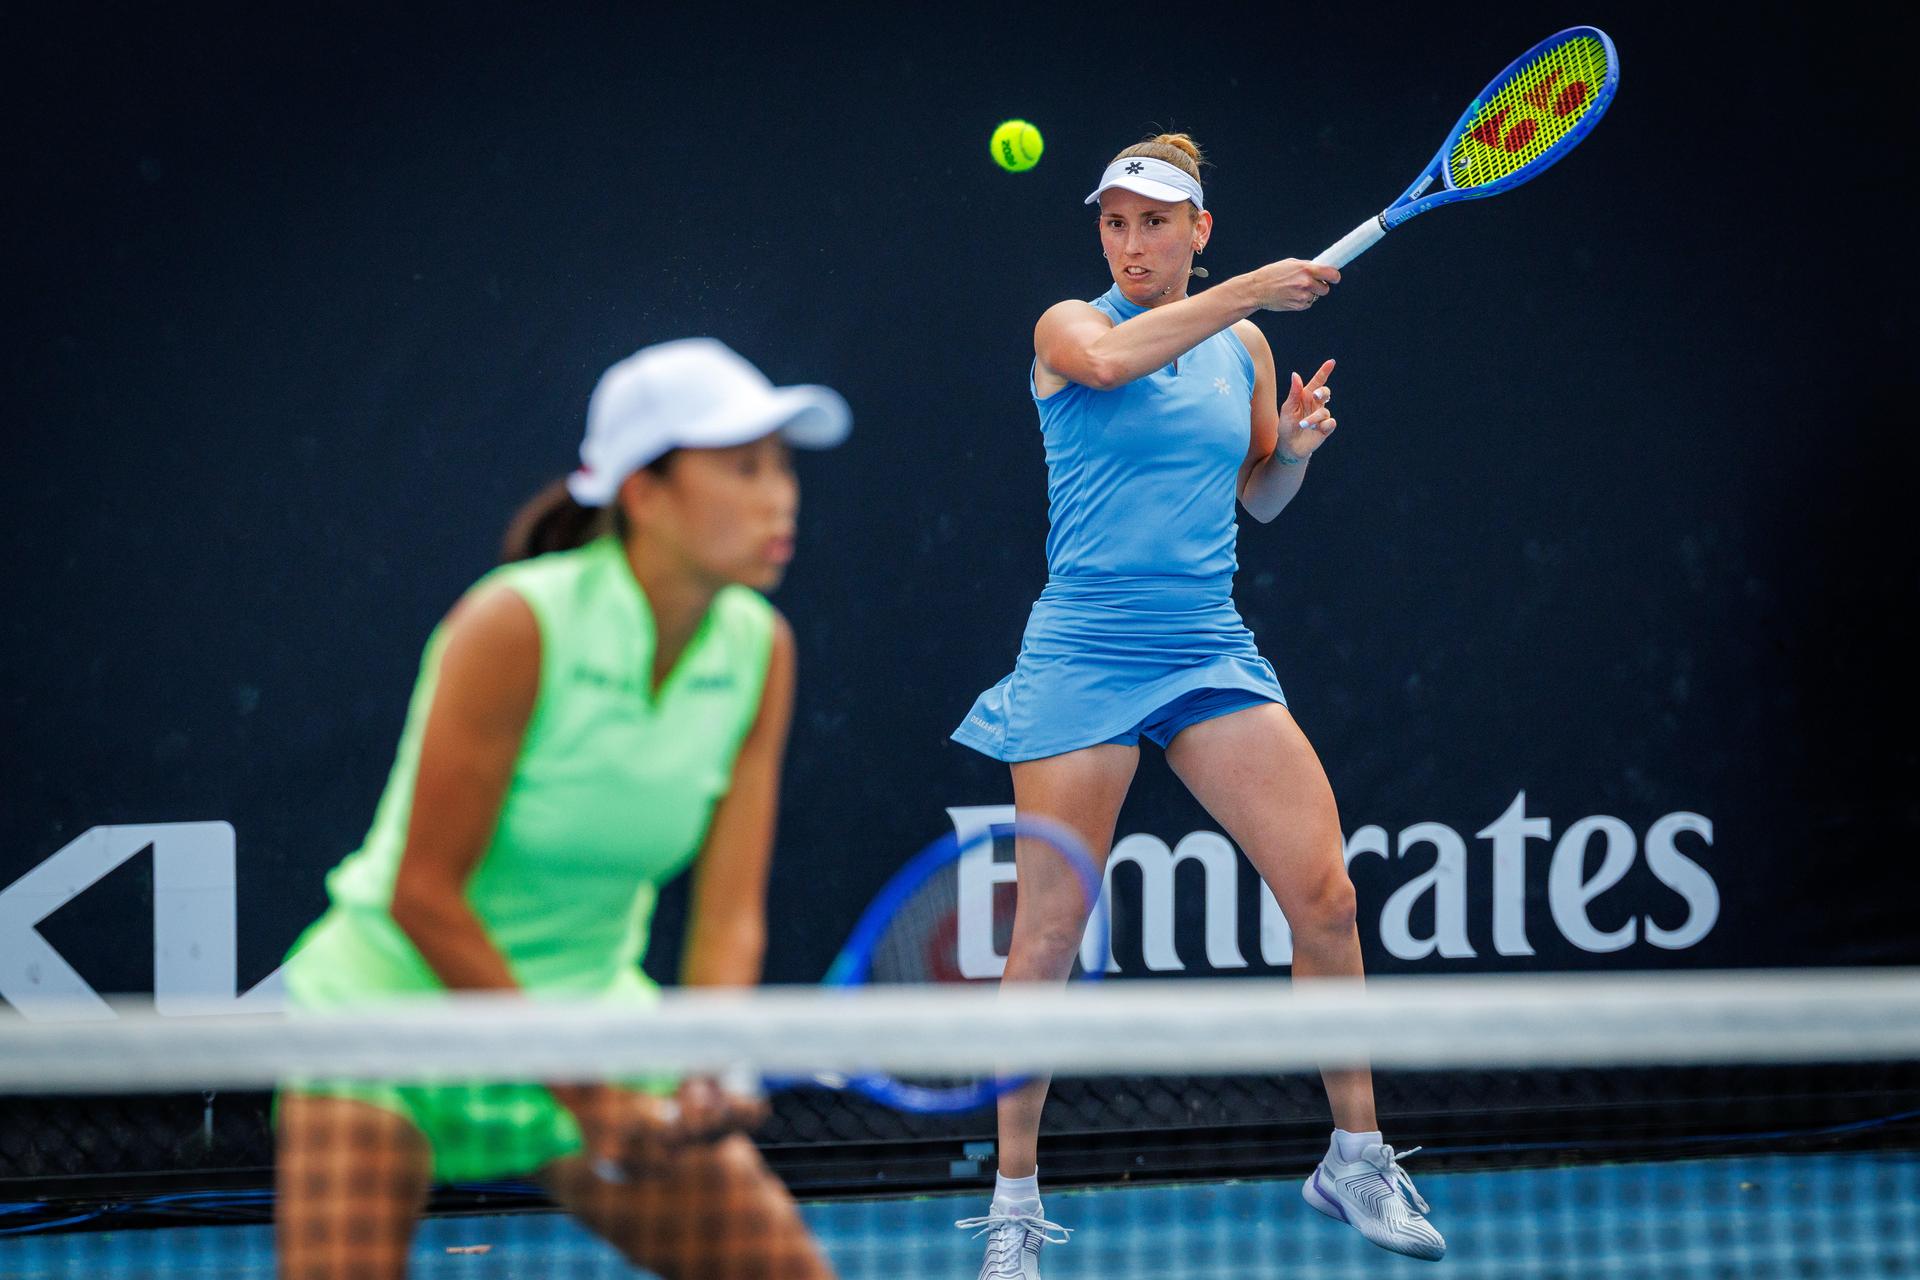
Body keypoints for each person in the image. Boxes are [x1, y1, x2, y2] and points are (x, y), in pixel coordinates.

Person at [951, 134, 1445, 1276]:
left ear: (1197, 229)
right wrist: (1250, 291)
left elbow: (1258, 497)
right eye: (1116, 223)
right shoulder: (1065, 328)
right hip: (1084, 648)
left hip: (1205, 646)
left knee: (1325, 894)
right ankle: (1015, 1202)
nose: (1132, 242)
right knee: (1049, 932)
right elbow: (1118, 368)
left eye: (1156, 222)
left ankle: (1355, 1157)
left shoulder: (1250, 351)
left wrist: (1299, 451)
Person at [275, 338, 849, 1280]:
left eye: (783, 466)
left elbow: (728, 911)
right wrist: (585, 1093)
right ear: (644, 494)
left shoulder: (759, 649)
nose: (778, 494)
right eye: (742, 467)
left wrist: (710, 1063)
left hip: (591, 1025)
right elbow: (423, 894)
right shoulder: (515, 622)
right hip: (387, 1026)